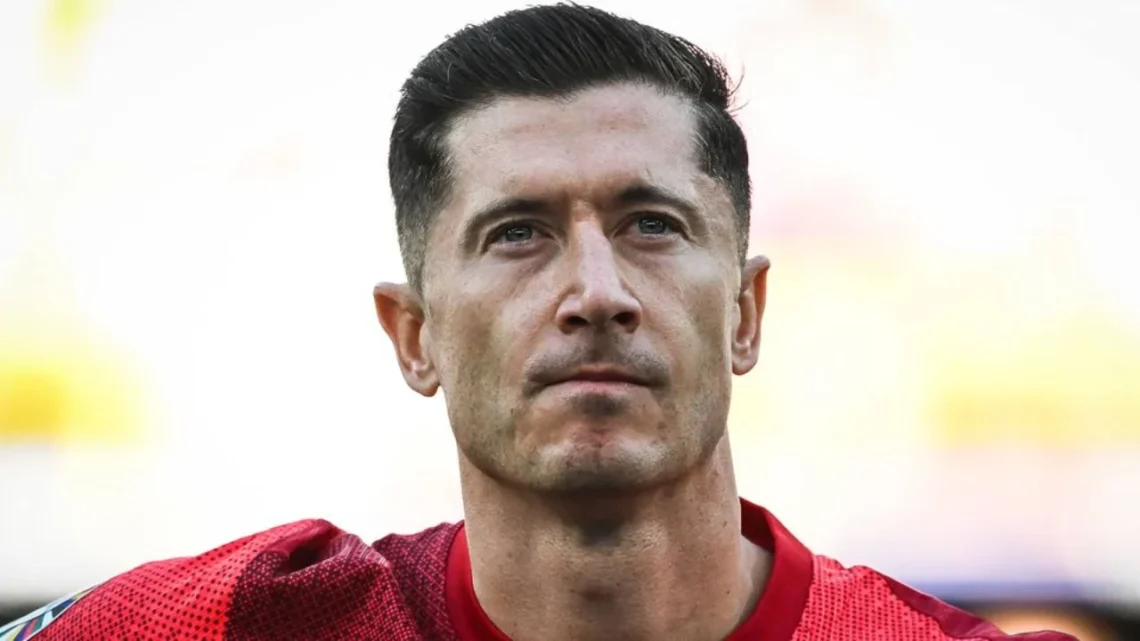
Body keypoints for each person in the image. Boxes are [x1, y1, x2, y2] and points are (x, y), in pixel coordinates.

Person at [2, 4, 1074, 641]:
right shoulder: (234, 620)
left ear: (746, 313)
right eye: (517, 233)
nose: (596, 291)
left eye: (651, 224)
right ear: (413, 335)